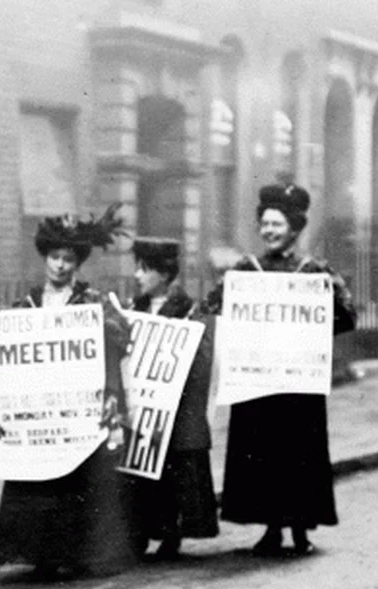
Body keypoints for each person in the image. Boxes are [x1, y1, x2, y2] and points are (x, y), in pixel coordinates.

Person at [203, 183, 356, 557]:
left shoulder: (315, 272)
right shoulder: (244, 270)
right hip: (258, 380)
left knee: (298, 451)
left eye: (278, 224)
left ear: (294, 228)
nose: (269, 231)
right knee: (263, 451)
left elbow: (347, 315)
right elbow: (214, 305)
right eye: (265, 224)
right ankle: (272, 527)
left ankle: (301, 528)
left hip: (297, 384)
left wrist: (314, 329)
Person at [0, 206, 139, 578]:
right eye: (54, 257)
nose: (59, 266)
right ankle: (39, 553)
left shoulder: (92, 303)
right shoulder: (26, 305)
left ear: (78, 263)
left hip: (77, 410)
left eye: (68, 259)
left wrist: (105, 327)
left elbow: (120, 340)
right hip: (39, 409)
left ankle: (74, 552)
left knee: (76, 479)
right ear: (45, 258)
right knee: (39, 480)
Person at [126, 237, 219, 559]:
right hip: (141, 406)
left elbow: (200, 358)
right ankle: (138, 531)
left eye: (145, 269)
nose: (138, 276)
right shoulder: (133, 307)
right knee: (138, 471)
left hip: (173, 409)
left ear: (164, 275)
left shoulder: (189, 310)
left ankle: (170, 531)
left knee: (170, 473)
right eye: (137, 268)